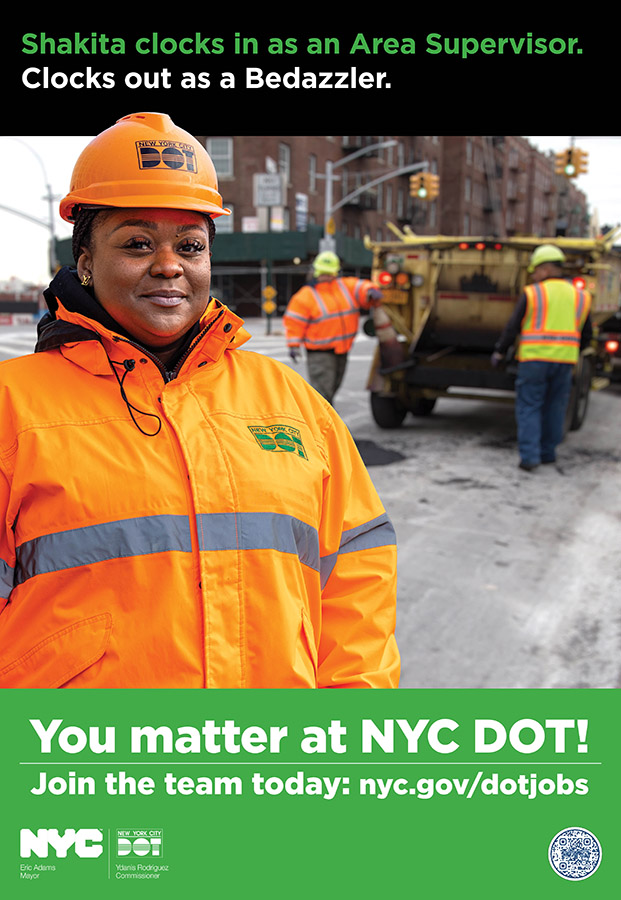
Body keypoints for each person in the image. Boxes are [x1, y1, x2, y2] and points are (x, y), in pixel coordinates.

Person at [0, 113, 399, 690]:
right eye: (137, 243)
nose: (169, 265)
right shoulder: (14, 409)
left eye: (190, 245)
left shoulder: (291, 402)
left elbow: (357, 569)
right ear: (84, 260)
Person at [491, 244, 592, 471]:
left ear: (545, 269)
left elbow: (512, 326)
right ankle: (548, 454)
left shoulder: (533, 293)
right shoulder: (581, 296)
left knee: (529, 406)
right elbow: (586, 335)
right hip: (565, 361)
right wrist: (570, 350)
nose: (533, 275)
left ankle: (529, 458)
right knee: (556, 406)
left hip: (534, 360)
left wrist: (500, 350)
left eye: (535, 270)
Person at [283, 251, 383, 403]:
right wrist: (293, 345)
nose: (326, 277)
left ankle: (323, 422)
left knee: (331, 390)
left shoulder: (343, 287)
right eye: (323, 273)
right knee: (322, 395)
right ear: (316, 272)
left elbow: (361, 286)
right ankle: (322, 425)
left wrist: (370, 290)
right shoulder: (305, 296)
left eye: (329, 273)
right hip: (320, 354)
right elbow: (294, 322)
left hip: (341, 350)